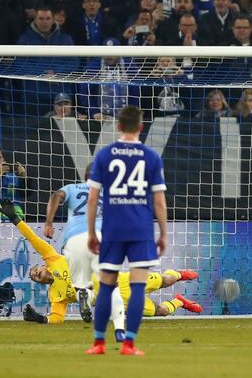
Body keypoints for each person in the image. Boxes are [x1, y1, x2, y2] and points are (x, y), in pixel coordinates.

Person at [85, 105, 168, 356]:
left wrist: (91, 233)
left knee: (107, 286)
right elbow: (159, 201)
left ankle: (99, 343)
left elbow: (92, 198)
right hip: (140, 229)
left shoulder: (104, 155)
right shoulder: (151, 157)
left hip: (112, 228)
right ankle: (129, 344)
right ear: (141, 127)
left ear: (118, 126)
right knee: (138, 287)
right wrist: (162, 233)